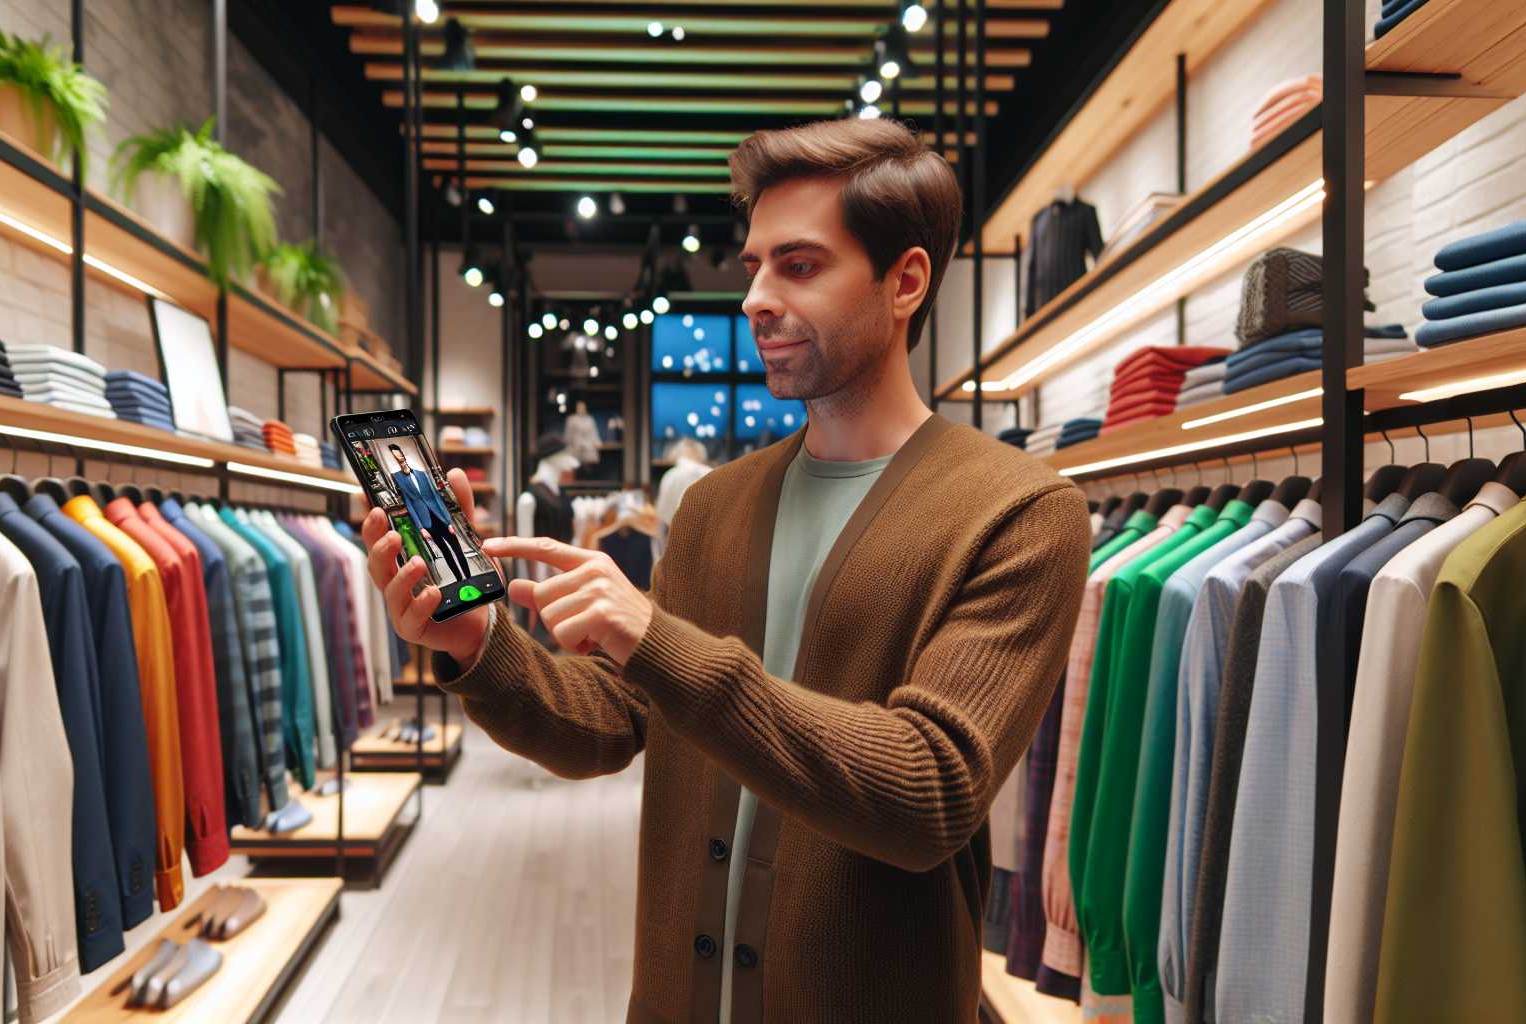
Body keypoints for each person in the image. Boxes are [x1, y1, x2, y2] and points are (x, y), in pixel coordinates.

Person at [362, 117, 1088, 1021]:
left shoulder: (1017, 512)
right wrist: (480, 648)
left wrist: (656, 637)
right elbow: (614, 724)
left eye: (801, 264)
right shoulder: (714, 506)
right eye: (754, 266)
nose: (754, 298)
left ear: (905, 282)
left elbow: (929, 792)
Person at [387, 443, 470, 580]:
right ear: (393, 458)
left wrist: (448, 521)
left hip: (440, 518)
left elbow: (436, 497)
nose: (398, 457)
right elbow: (409, 504)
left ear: (403, 454)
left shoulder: (422, 474)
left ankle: (468, 577)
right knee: (445, 552)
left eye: (399, 453)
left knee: (457, 549)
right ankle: (459, 579)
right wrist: (421, 528)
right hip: (427, 523)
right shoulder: (397, 478)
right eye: (394, 455)